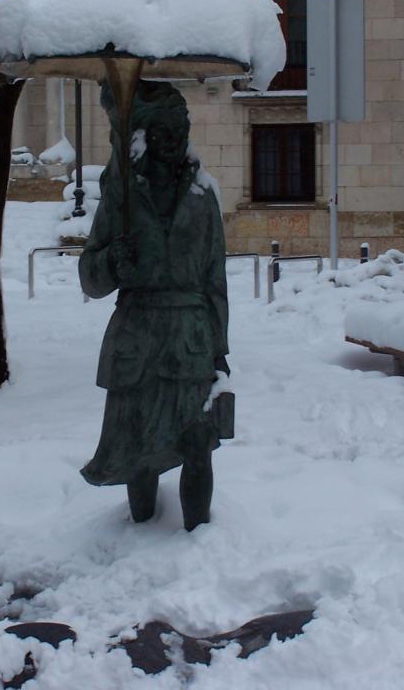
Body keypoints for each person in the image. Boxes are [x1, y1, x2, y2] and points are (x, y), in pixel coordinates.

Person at [79, 80, 230, 532]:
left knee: (198, 442)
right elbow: (90, 275)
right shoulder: (122, 195)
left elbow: (215, 280)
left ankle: (199, 538)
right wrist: (113, 261)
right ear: (144, 136)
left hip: (190, 337)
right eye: (163, 131)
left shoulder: (204, 198)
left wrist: (220, 349)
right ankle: (140, 533)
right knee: (137, 447)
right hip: (137, 335)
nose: (174, 139)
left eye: (180, 129)